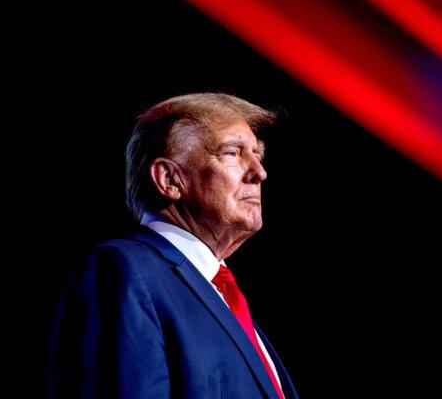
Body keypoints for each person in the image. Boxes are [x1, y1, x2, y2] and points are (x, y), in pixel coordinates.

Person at [49, 93, 298, 398]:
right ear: (169, 179)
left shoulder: (221, 295)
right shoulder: (124, 269)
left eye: (257, 155)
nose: (259, 172)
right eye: (232, 153)